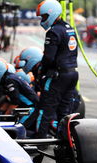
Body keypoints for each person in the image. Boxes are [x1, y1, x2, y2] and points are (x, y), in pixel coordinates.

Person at [34, 0, 79, 138]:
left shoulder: (53, 32)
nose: (42, 20)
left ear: (51, 14)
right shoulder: (69, 28)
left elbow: (48, 58)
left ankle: (38, 142)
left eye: (44, 16)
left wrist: (40, 71)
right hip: (72, 74)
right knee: (64, 112)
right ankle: (64, 142)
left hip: (58, 76)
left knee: (45, 110)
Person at [0, 58, 39, 132]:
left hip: (32, 108)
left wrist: (5, 116)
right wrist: (0, 112)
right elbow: (9, 99)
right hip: (25, 107)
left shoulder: (10, 80)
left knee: (18, 129)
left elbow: (15, 101)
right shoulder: (8, 79)